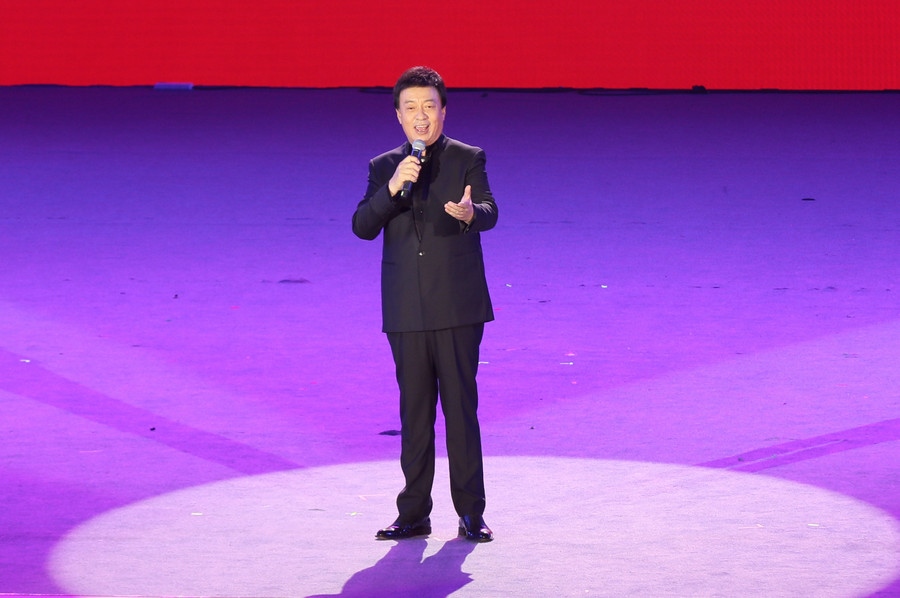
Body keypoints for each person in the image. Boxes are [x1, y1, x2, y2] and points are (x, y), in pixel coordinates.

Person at [352, 66, 498, 542]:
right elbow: (362, 226)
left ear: (443, 111)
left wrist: (470, 213)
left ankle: (471, 512)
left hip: (457, 305)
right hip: (405, 309)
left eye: (429, 106)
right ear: (398, 115)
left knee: (460, 410)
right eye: (411, 107)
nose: (421, 116)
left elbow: (490, 210)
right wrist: (393, 187)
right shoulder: (383, 167)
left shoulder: (467, 157)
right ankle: (413, 512)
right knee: (414, 415)